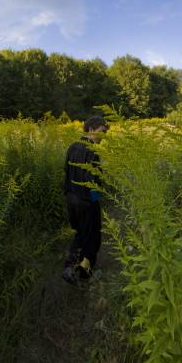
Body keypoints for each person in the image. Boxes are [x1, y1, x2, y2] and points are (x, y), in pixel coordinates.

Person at [62, 116, 108, 284]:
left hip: (71, 200)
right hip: (86, 202)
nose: (103, 136)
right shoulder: (92, 151)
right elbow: (93, 181)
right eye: (102, 132)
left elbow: (66, 172)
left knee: (79, 234)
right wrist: (96, 201)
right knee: (92, 239)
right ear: (90, 129)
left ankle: (68, 267)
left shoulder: (72, 147)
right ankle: (85, 275)